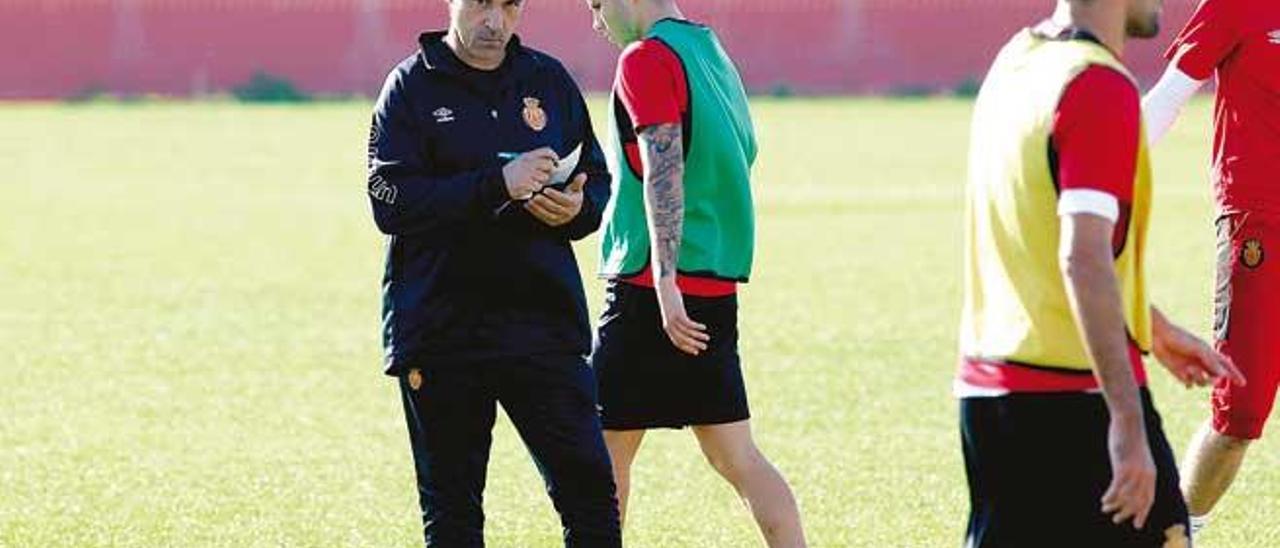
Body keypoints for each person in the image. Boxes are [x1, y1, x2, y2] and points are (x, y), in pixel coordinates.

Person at [956, 0, 1245, 545]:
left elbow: (1035, 236)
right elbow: (1081, 256)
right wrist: (1128, 422)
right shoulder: (1098, 87)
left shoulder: (1016, 63)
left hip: (988, 396)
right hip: (1074, 402)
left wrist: (1148, 324)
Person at [366, 0, 620, 545]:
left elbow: (595, 176)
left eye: (509, 5)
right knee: (454, 515)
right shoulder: (410, 87)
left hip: (543, 327)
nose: (494, 21)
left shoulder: (547, 80)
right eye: (481, 3)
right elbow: (389, 200)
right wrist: (496, 184)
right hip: (443, 332)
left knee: (593, 501)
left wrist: (580, 208)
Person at [582, 1, 807, 546]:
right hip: (713, 283)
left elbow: (665, 167)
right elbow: (741, 152)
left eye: (596, 3)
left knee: (599, 456)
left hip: (650, 290)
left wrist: (664, 283)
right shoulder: (710, 51)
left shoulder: (646, 59)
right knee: (736, 456)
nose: (596, 20)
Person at [1142, 0, 1280, 532]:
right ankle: (1177, 531)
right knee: (1241, 411)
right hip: (1259, 222)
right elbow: (1171, 96)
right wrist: (1102, 167)